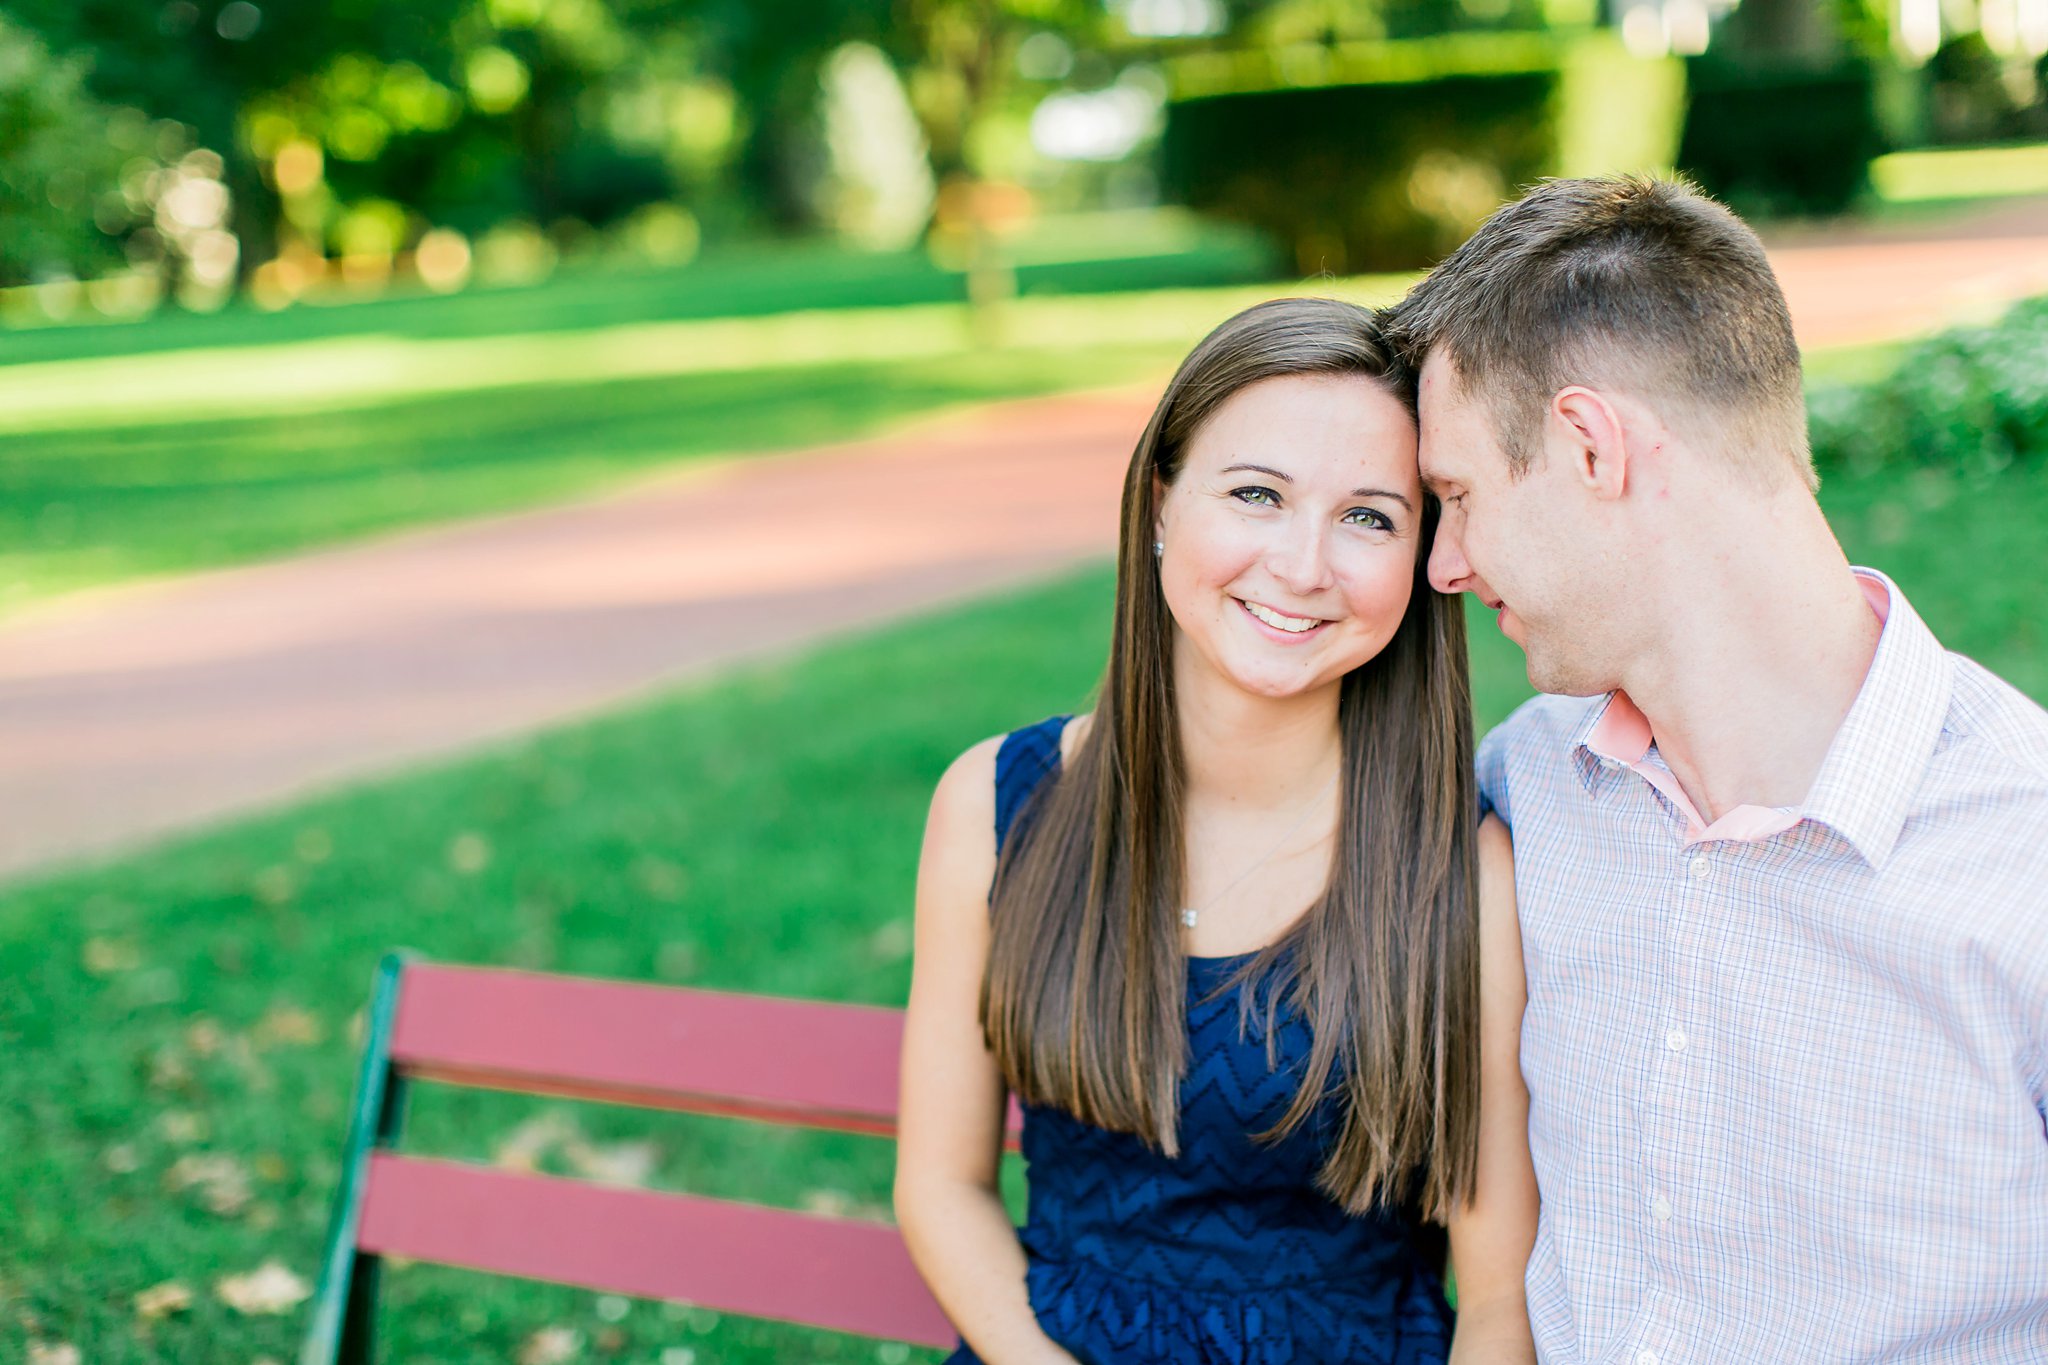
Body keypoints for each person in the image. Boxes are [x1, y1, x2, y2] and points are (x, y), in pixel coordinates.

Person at [1390, 174, 2048, 1364]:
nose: (1443, 565)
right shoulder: (1523, 790)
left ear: (1590, 446)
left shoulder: (2022, 853)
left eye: (1456, 496)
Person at [893, 297, 1540, 1364]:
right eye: (1255, 494)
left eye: (1367, 518)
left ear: (1424, 558)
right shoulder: (997, 804)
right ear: (1160, 502)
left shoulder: (1456, 874)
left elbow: (1497, 1304)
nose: (1299, 565)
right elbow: (940, 1186)